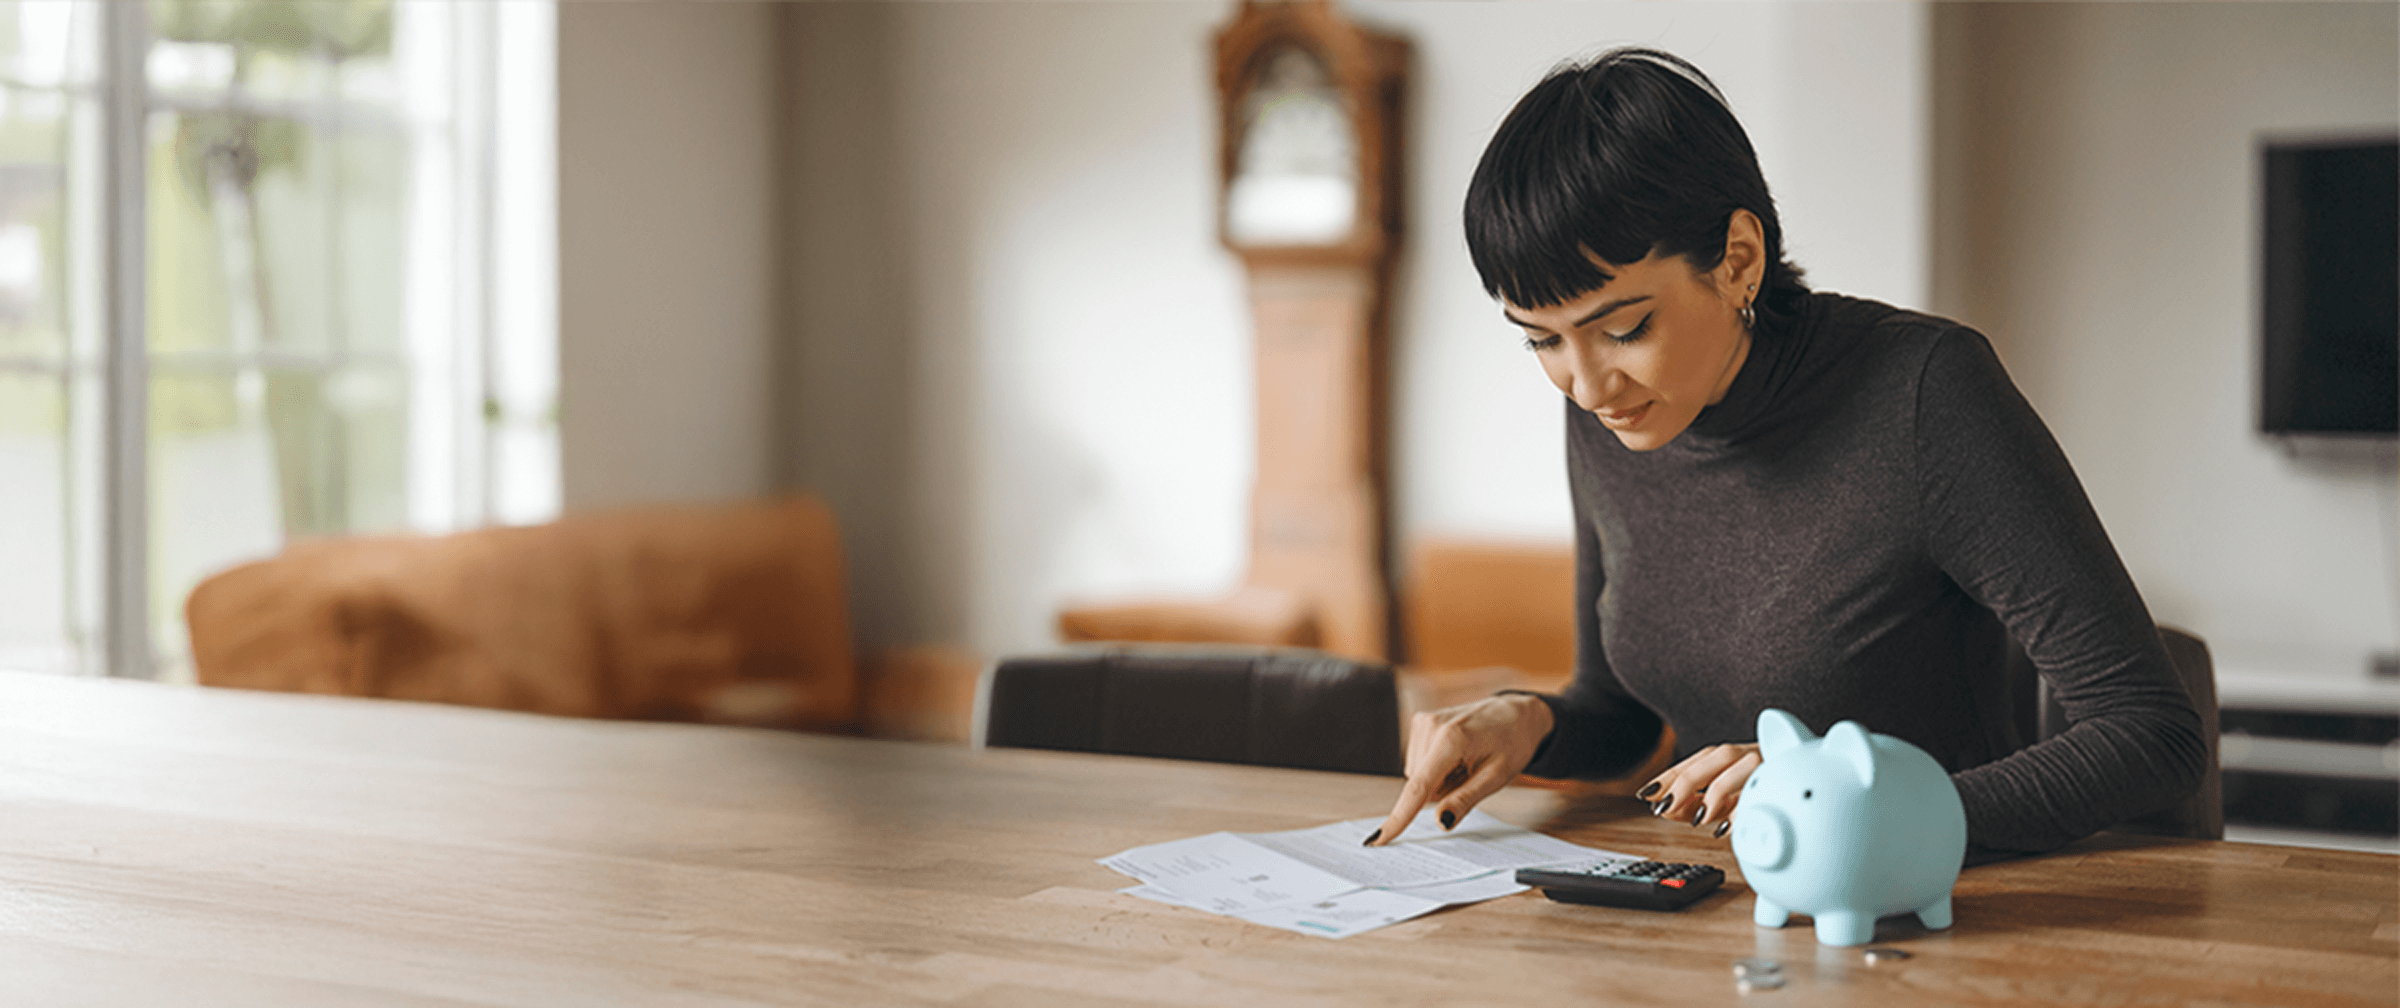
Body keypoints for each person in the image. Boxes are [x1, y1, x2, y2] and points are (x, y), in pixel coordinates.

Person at [1365, 48, 2205, 861]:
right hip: (1727, 893)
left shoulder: (1923, 393)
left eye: (1625, 328)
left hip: (1927, 906)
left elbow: (2151, 732)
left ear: (1738, 259)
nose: (1584, 385)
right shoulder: (1615, 412)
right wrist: (1527, 720)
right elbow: (1621, 710)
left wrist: (1846, 798)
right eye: (1541, 341)